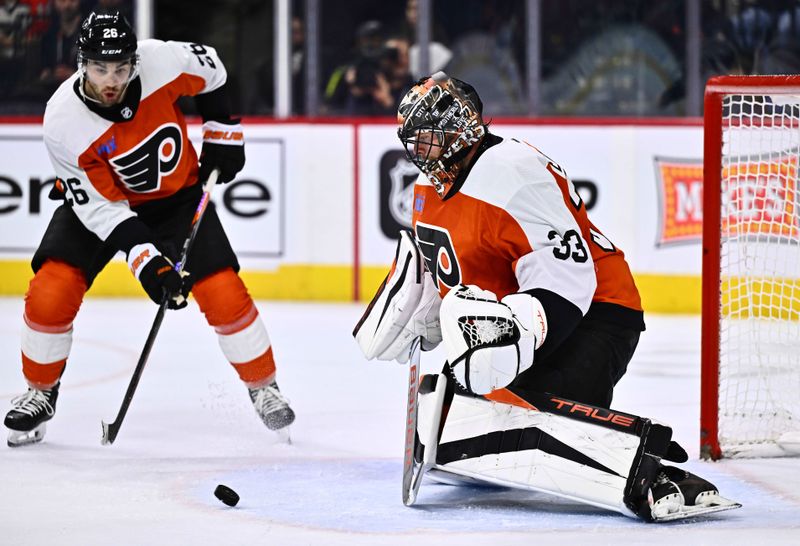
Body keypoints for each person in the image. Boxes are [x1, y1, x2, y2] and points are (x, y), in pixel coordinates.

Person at [354, 72, 740, 521]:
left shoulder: (513, 174)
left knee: (521, 423)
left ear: (461, 128)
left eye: (429, 139)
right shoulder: (427, 188)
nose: (420, 152)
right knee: (468, 422)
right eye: (415, 142)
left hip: (598, 313)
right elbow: (451, 270)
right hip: (522, 324)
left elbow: (569, 280)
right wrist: (424, 307)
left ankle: (646, 473)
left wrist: (513, 354)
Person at [3, 11, 295, 447]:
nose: (110, 80)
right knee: (51, 288)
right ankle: (40, 392)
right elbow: (103, 211)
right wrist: (149, 266)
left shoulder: (162, 61)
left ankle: (264, 386)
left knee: (223, 290)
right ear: (82, 63)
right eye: (100, 68)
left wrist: (221, 133)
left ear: (134, 62)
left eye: (120, 68)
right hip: (104, 205)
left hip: (176, 200)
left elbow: (212, 67)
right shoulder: (62, 121)